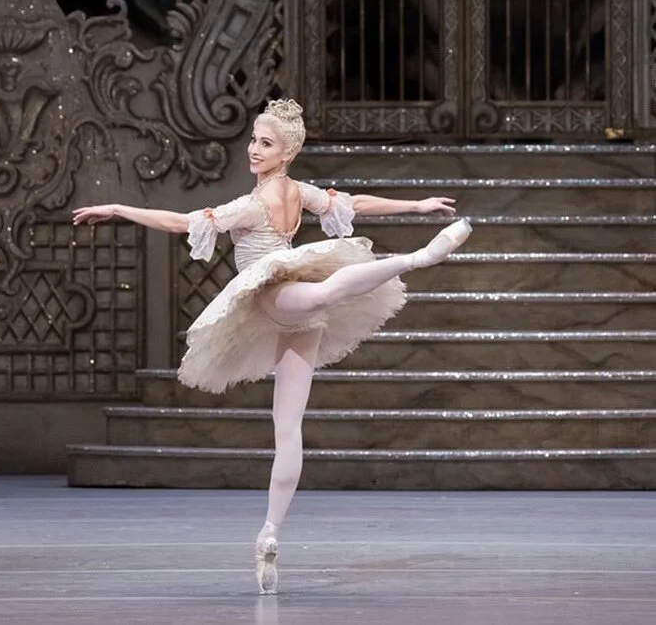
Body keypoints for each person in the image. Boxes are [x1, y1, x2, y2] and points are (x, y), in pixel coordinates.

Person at [72, 98, 472, 595]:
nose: (253, 149)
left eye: (265, 143)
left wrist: (118, 208)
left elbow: (180, 222)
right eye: (253, 140)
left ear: (287, 153)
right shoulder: (298, 193)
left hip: (278, 297)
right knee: (290, 411)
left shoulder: (253, 204)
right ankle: (270, 534)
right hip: (291, 303)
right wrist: (415, 205)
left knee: (313, 329)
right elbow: (355, 203)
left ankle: (417, 258)